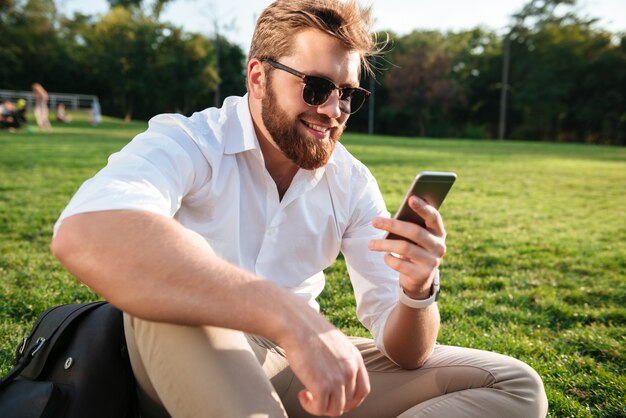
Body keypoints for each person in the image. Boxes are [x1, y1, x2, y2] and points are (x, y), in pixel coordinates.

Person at [51, 1, 548, 417]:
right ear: (259, 77)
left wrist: (418, 292)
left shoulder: (350, 181)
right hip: (187, 346)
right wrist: (288, 314)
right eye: (316, 88)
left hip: (294, 362)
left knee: (514, 386)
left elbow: (407, 353)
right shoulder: (188, 141)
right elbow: (86, 232)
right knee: (173, 302)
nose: (333, 109)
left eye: (349, 94)